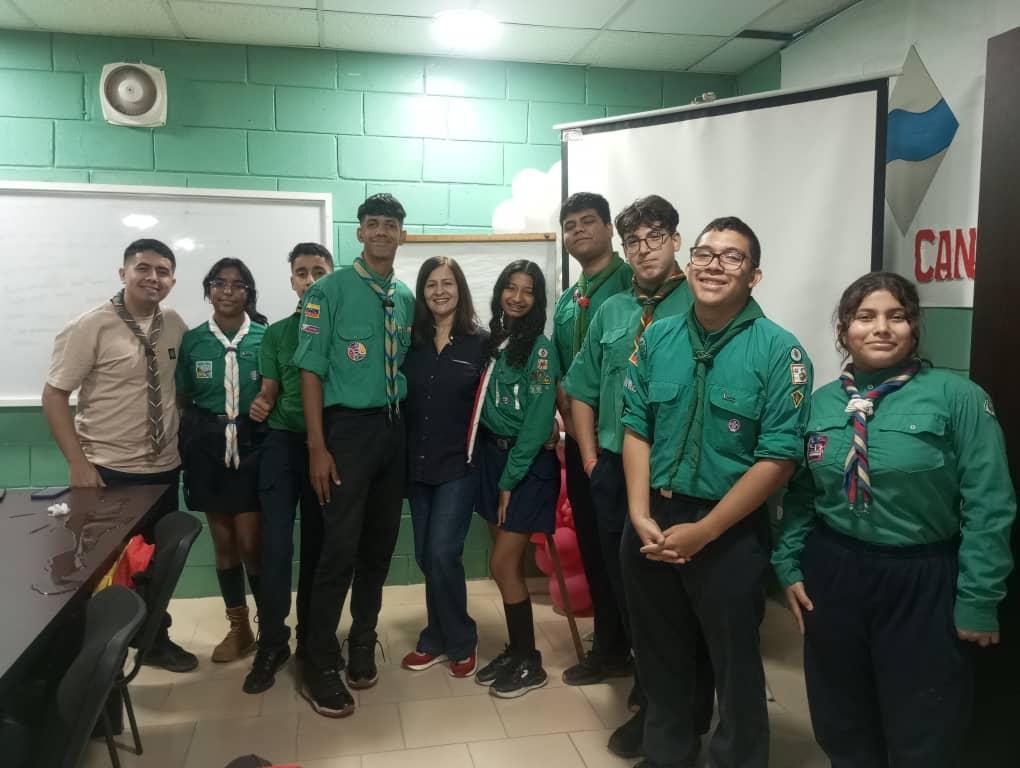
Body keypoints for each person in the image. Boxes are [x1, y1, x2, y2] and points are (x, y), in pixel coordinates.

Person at [773, 272, 1015, 768]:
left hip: (922, 578)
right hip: (835, 572)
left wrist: (979, 600)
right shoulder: (822, 403)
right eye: (865, 317)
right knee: (841, 715)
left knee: (923, 723)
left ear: (914, 327)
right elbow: (802, 495)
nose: (881, 328)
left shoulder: (958, 397)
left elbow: (990, 503)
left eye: (896, 316)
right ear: (844, 330)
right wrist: (788, 565)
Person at [621, 216, 811, 768]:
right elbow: (636, 426)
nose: (714, 265)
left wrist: (705, 530)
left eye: (732, 257)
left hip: (728, 529)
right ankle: (668, 752)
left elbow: (779, 458)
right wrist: (638, 512)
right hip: (653, 520)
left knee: (735, 665)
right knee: (659, 655)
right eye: (705, 254)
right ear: (689, 264)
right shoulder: (657, 337)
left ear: (754, 276)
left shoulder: (779, 351)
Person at [563, 195, 713, 760]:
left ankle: (688, 714)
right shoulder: (613, 310)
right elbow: (581, 387)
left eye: (655, 237)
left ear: (676, 240)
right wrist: (590, 459)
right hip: (614, 470)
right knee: (635, 601)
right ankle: (652, 705)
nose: (644, 250)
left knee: (687, 606)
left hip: (679, 479)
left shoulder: (702, 301)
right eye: (634, 241)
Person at [42, 237, 197, 673]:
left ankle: (155, 641)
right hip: (107, 471)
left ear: (172, 280)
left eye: (163, 271)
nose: (153, 278)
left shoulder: (175, 324)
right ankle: (99, 661)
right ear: (123, 273)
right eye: (143, 268)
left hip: (162, 468)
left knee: (156, 565)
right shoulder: (91, 326)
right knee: (105, 571)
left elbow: (181, 387)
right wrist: (78, 463)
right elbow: (54, 395)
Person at [293, 193, 415, 718]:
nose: (382, 231)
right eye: (373, 224)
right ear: (360, 233)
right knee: (338, 550)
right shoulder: (328, 290)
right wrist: (317, 446)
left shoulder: (404, 296)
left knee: (379, 546)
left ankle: (362, 640)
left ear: (402, 234)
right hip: (345, 431)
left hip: (392, 429)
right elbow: (310, 370)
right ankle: (319, 660)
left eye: (391, 224)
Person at [242, 243, 334, 695]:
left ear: (332, 275)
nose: (310, 279)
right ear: (292, 280)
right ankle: (272, 642)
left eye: (319, 271)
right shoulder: (276, 334)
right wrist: (262, 403)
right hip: (281, 445)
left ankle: (312, 639)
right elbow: (270, 390)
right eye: (302, 272)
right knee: (276, 546)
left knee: (319, 547)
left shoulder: (343, 330)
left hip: (327, 448)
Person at [553, 192, 635, 687]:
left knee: (630, 560)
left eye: (589, 221)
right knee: (595, 552)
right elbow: (565, 374)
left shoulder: (634, 286)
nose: (579, 230)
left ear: (608, 230)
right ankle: (610, 648)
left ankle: (644, 658)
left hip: (627, 446)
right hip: (582, 446)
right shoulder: (568, 300)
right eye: (570, 225)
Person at [469, 260, 560, 699]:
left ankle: (531, 662)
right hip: (491, 458)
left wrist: (510, 478)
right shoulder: (494, 342)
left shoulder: (540, 349)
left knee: (503, 565)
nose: (517, 297)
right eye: (511, 287)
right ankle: (517, 650)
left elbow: (539, 422)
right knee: (502, 564)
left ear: (537, 301)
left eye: (528, 291)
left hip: (523, 466)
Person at [400, 256, 489, 678]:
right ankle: (436, 637)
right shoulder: (409, 344)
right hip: (416, 466)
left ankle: (461, 640)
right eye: (431, 284)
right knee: (425, 555)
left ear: (460, 289)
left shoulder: (481, 344)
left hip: (459, 465)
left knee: (442, 551)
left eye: (447, 283)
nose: (439, 291)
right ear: (422, 292)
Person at [176, 258, 268, 664]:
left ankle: (270, 626)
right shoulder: (194, 341)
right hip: (209, 446)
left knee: (251, 541)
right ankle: (239, 627)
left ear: (249, 292)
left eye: (238, 284)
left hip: (252, 443)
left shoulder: (265, 337)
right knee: (224, 542)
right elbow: (183, 397)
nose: (228, 290)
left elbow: (276, 389)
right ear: (208, 289)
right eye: (219, 283)